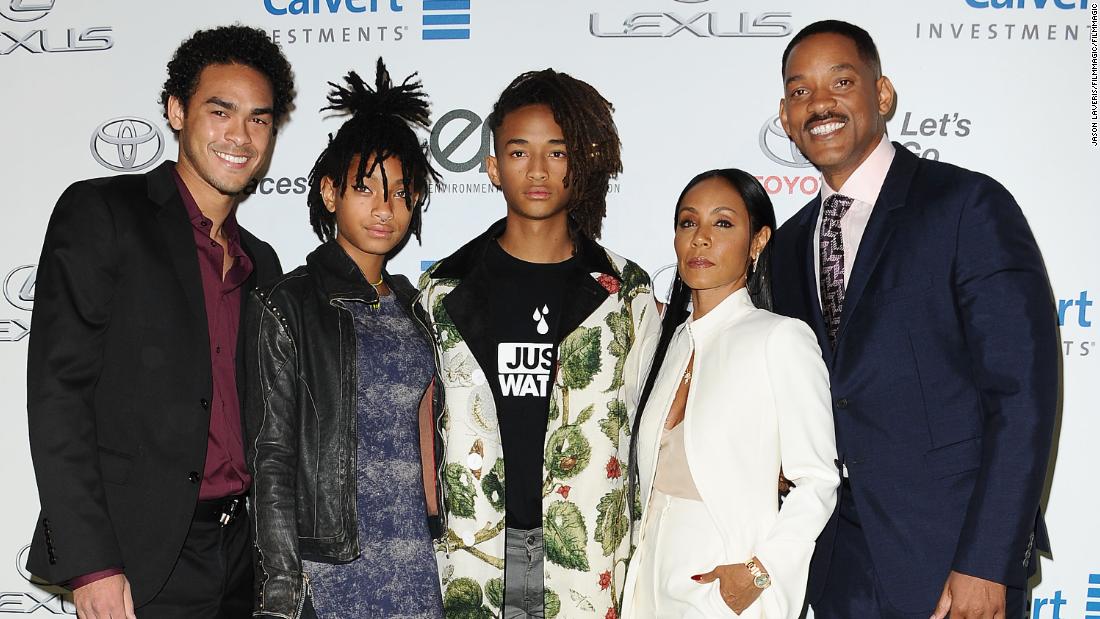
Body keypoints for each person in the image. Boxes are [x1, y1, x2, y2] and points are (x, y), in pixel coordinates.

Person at [771, 19, 1059, 619]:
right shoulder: (787, 245)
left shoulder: (966, 206)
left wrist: (988, 561)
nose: (819, 103)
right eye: (800, 91)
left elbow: (1022, 395)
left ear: (882, 95)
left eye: (840, 81)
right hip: (834, 571)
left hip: (952, 559)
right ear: (785, 115)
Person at [25, 25, 294, 619]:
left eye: (259, 119)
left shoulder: (263, 261)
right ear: (176, 111)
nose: (241, 136)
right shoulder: (103, 214)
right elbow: (58, 398)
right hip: (140, 555)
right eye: (220, 111)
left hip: (243, 557)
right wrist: (92, 563)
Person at [418, 69, 659, 619]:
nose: (538, 170)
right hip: (473, 555)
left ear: (580, 164)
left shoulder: (624, 291)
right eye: (520, 152)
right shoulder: (444, 289)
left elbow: (652, 424)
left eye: (557, 152)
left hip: (590, 564)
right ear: (493, 167)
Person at [245, 58, 443, 619]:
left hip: (415, 561)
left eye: (403, 193)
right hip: (329, 571)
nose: (387, 209)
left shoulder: (415, 304)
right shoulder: (290, 304)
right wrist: (283, 585)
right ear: (330, 192)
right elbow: (272, 456)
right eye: (368, 189)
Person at [618, 169, 838, 618]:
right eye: (687, 222)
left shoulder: (779, 338)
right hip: (648, 580)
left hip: (726, 580)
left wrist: (758, 574)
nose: (700, 239)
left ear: (757, 242)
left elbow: (818, 480)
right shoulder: (665, 344)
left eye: (722, 224)